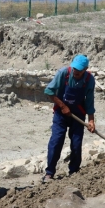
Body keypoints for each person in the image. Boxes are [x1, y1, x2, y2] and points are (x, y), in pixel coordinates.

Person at [42, 54, 96, 182]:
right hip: (61, 114)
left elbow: (90, 101)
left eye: (79, 71)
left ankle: (74, 172)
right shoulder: (63, 73)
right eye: (74, 69)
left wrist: (91, 121)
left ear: (85, 69)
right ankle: (49, 172)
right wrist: (62, 105)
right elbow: (49, 91)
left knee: (77, 144)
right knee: (56, 141)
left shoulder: (89, 79)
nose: (75, 72)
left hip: (78, 114)